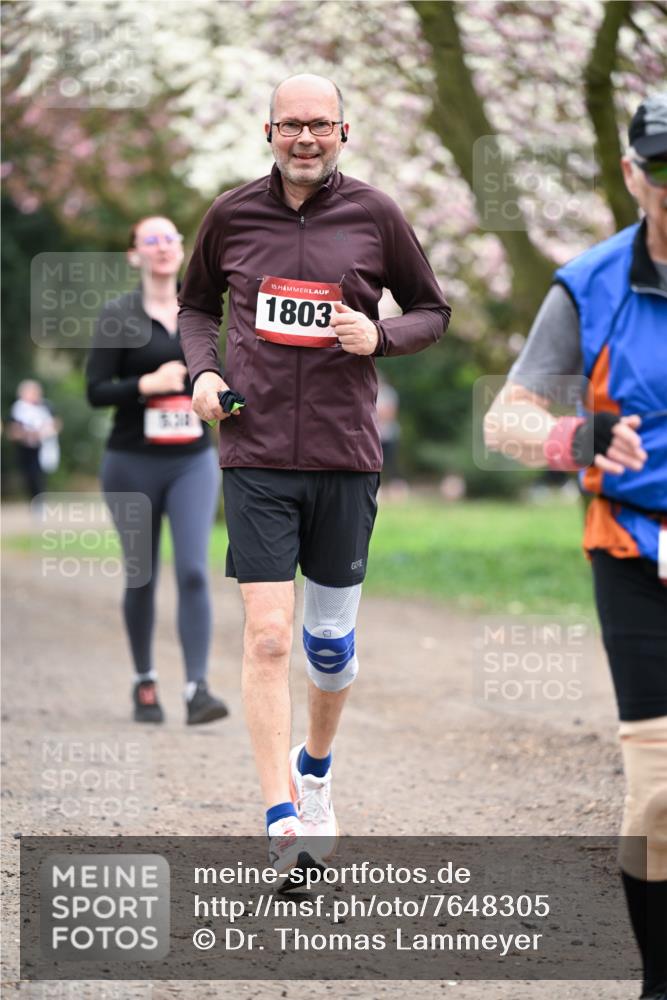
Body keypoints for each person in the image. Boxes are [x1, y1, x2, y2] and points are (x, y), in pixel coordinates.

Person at [177, 74, 451, 876]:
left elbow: (433, 311)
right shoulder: (230, 214)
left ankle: (317, 770)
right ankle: (281, 818)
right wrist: (200, 372)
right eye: (290, 124)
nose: (304, 138)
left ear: (344, 131)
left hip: (343, 455)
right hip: (254, 450)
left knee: (327, 646)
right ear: (267, 130)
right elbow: (196, 308)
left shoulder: (376, 215)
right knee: (266, 637)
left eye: (319, 125)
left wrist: (381, 335)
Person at [484, 93, 667, 999]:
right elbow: (504, 420)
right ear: (634, 175)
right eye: (663, 167)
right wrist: (579, 441)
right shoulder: (588, 284)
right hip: (633, 549)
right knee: (658, 792)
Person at [86, 215, 229, 727]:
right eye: (152, 239)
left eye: (171, 238)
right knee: (141, 575)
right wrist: (146, 385)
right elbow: (95, 391)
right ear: (134, 254)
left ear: (182, 249)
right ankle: (144, 681)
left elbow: (229, 376)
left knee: (193, 570)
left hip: (192, 460)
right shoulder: (117, 315)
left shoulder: (204, 312)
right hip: (131, 462)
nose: (164, 247)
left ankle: (197, 688)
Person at [7, 379, 61, 500]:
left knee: (39, 476)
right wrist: (25, 435)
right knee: (28, 476)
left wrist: (44, 433)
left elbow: (56, 424)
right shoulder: (18, 409)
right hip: (24, 448)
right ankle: (34, 499)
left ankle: (39, 500)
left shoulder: (46, 406)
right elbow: (12, 430)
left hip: (42, 448)